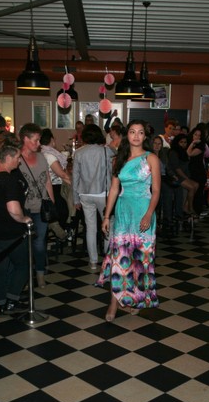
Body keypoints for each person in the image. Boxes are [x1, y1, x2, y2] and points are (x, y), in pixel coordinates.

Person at [98, 119, 161, 321]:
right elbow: (114, 189)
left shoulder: (151, 158)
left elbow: (156, 190)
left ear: (145, 136)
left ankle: (136, 299)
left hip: (143, 210)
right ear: (127, 135)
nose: (136, 136)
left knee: (140, 261)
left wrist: (149, 214)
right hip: (123, 212)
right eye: (132, 132)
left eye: (140, 132)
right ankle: (114, 303)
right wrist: (106, 216)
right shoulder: (119, 159)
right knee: (119, 259)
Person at [0, 135, 32, 316]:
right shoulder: (9, 180)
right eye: (17, 157)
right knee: (23, 265)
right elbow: (13, 210)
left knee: (0, 267)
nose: (19, 161)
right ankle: (12, 300)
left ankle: (1, 302)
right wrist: (24, 219)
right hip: (10, 232)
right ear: (9, 157)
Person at [72, 123, 114, 271]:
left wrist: (75, 198)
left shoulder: (79, 152)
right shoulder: (106, 151)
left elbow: (75, 177)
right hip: (103, 193)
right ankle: (107, 260)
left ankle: (93, 262)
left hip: (84, 194)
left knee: (90, 228)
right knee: (108, 227)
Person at [17, 123, 54, 289]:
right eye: (36, 140)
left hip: (41, 207)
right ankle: (24, 277)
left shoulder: (41, 158)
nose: (39, 144)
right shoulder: (16, 158)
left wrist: (51, 202)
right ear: (25, 139)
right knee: (23, 245)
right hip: (23, 209)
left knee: (39, 243)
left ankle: (40, 273)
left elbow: (47, 181)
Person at [40, 128, 72, 241]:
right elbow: (62, 174)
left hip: (49, 186)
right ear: (51, 139)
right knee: (65, 209)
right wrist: (74, 184)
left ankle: (64, 228)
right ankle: (62, 229)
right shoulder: (49, 155)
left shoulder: (42, 152)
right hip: (53, 187)